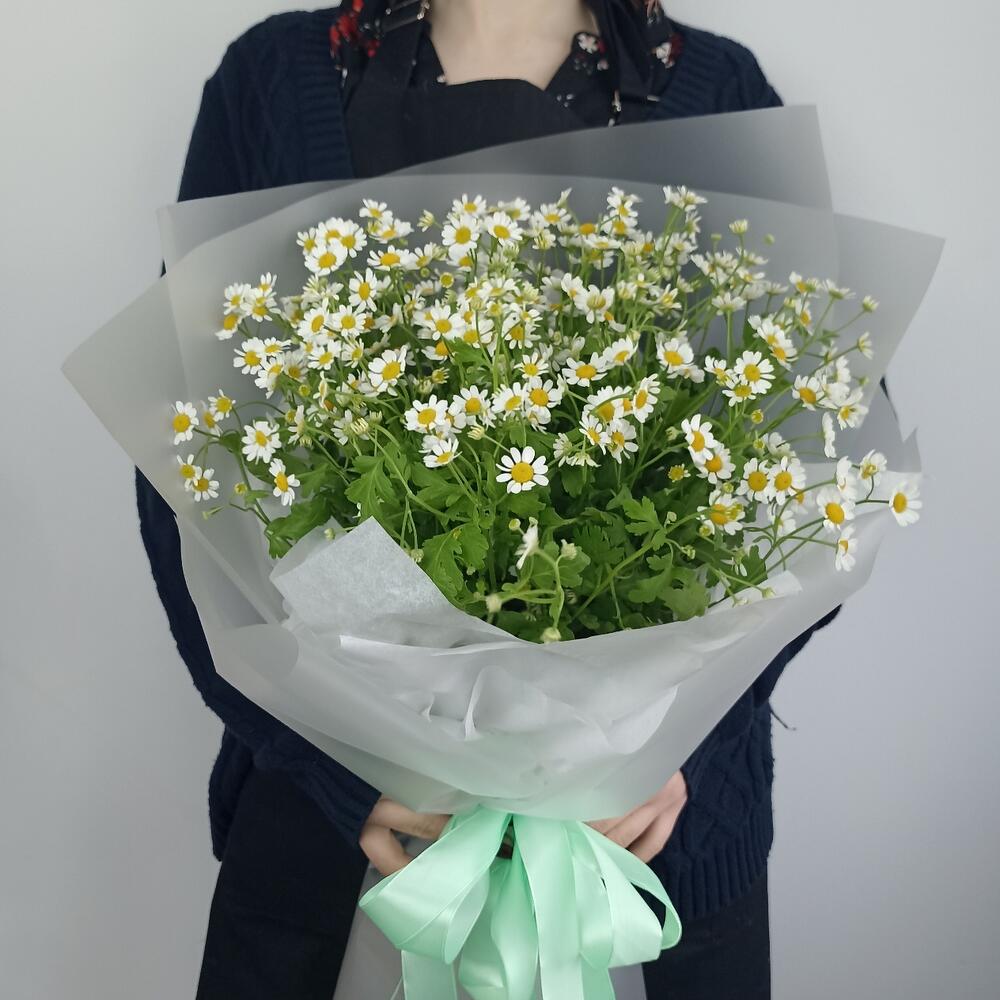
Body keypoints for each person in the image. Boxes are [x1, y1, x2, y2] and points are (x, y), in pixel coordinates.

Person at [135, 2, 846, 997]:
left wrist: (671, 747)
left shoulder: (717, 92)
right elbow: (182, 468)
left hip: (650, 838)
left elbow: (821, 461)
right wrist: (327, 767)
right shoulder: (275, 81)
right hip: (341, 835)